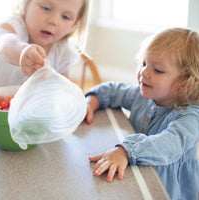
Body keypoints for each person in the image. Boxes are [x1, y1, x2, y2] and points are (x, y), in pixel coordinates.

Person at [85, 28, 199, 200]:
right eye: (144, 63)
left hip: (167, 190)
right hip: (137, 179)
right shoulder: (144, 95)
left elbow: (169, 144)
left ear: (185, 83)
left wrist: (126, 151)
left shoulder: (189, 118)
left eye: (157, 70)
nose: (144, 72)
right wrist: (91, 101)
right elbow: (115, 91)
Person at [0, 0, 91, 118]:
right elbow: (3, 41)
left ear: (74, 24)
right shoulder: (12, 26)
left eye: (66, 17)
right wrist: (22, 51)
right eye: (46, 8)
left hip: (25, 117)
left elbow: (61, 89)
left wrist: (78, 105)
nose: (53, 21)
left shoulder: (63, 51)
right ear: (26, 4)